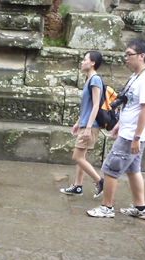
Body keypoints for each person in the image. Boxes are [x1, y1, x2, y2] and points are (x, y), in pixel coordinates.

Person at [87, 38, 145, 220]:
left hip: (132, 135)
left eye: (129, 55)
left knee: (111, 169)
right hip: (129, 131)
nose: (126, 58)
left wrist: (136, 137)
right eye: (125, 55)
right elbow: (130, 105)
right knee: (133, 170)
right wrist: (119, 124)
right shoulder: (136, 76)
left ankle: (107, 207)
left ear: (142, 56)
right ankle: (141, 208)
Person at [61, 51, 104, 197]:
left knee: (77, 157)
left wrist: (88, 127)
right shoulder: (89, 79)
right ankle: (77, 186)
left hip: (91, 125)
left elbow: (96, 105)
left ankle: (99, 181)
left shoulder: (95, 79)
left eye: (85, 59)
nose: (82, 62)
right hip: (85, 123)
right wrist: (78, 123)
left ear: (93, 63)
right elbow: (87, 105)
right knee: (82, 156)